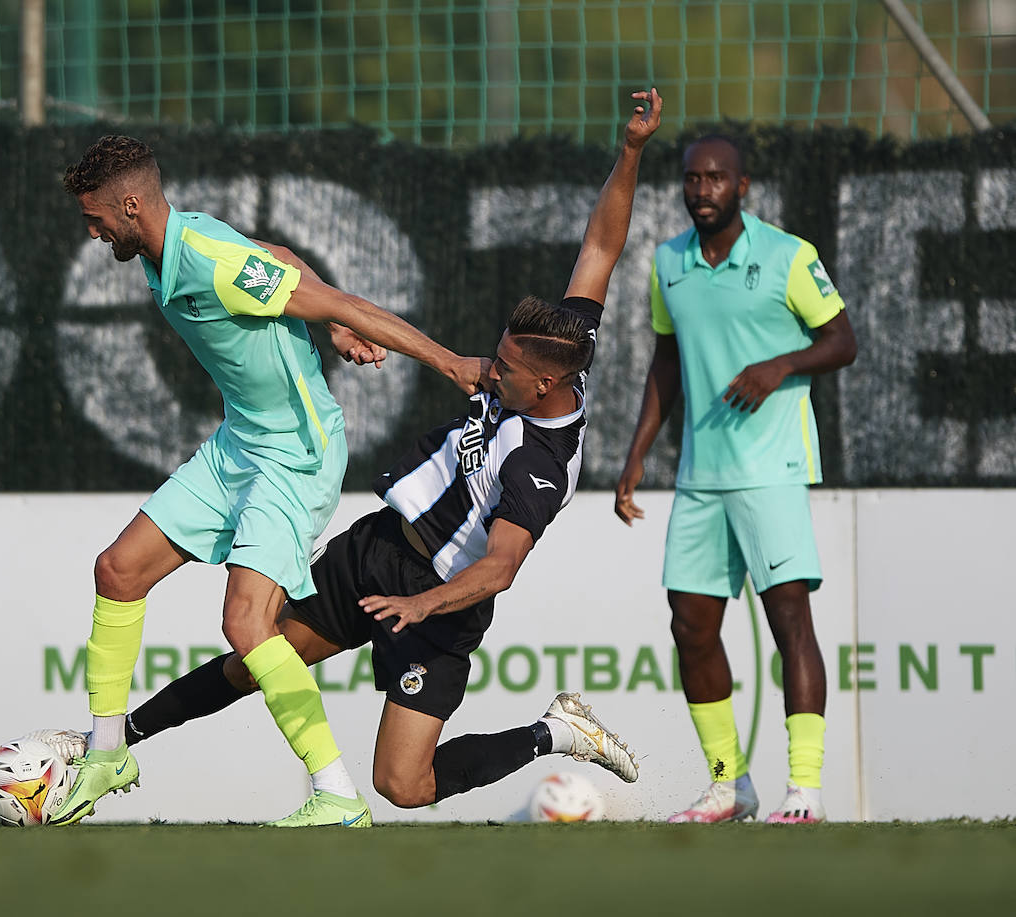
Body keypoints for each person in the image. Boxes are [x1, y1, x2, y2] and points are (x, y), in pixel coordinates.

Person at [96, 89, 663, 816]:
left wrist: (420, 603)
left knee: (404, 785)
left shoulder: (540, 466)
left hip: (436, 603)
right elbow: (602, 248)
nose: (492, 370)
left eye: (506, 369)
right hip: (380, 549)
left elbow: (500, 567)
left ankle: (553, 732)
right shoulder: (564, 339)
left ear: (546, 384)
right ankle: (114, 742)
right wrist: (631, 151)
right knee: (253, 658)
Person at [51, 135, 489, 828]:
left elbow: (338, 299)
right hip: (239, 444)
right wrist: (332, 325)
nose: (92, 230)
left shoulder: (209, 259)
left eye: (96, 217)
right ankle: (108, 752)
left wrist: (445, 361)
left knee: (248, 625)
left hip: (295, 455)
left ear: (131, 205)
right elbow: (278, 260)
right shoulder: (177, 245)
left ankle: (337, 793)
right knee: (118, 570)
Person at [614, 134, 858, 824]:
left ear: (743, 185)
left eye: (716, 178)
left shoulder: (789, 255)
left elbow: (843, 340)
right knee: (689, 626)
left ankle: (803, 792)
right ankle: (730, 784)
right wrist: (636, 455)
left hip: (770, 471)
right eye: (693, 179)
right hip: (700, 476)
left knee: (790, 622)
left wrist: (780, 365)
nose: (702, 191)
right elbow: (667, 360)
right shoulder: (669, 262)